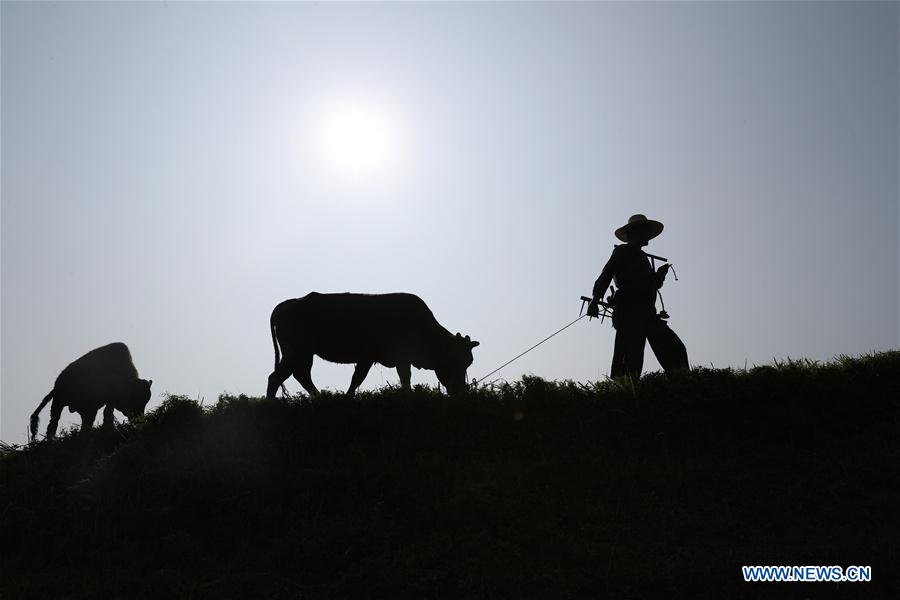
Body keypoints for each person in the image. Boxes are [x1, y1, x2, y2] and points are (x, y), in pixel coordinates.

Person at [587, 214, 672, 379]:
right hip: (629, 311)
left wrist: (659, 276)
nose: (648, 235)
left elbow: (649, 284)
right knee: (630, 355)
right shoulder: (623, 251)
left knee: (673, 348)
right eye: (645, 231)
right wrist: (595, 301)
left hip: (647, 312)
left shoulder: (641, 257)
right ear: (635, 232)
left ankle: (681, 379)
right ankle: (624, 388)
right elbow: (607, 274)